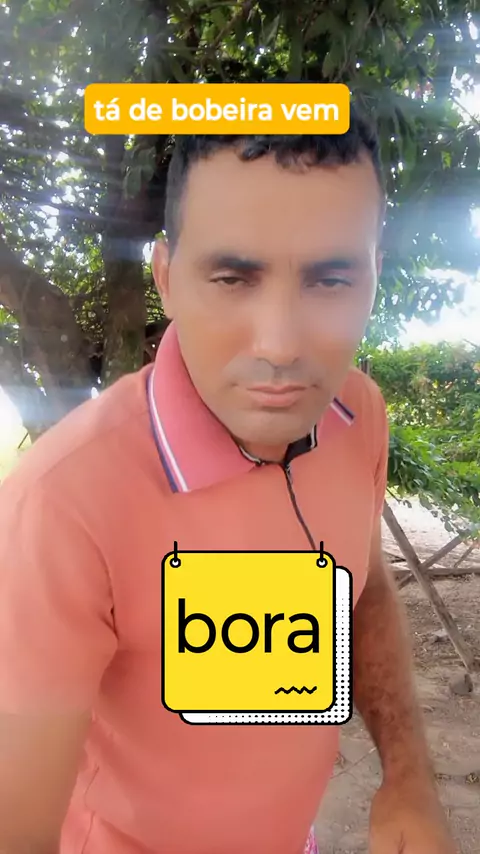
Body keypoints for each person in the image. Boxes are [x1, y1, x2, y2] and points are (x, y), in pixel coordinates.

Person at [0, 119, 456, 854]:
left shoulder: (357, 414)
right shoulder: (62, 505)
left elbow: (362, 584)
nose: (280, 345)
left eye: (330, 279)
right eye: (232, 278)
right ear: (165, 278)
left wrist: (408, 778)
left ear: (374, 276)